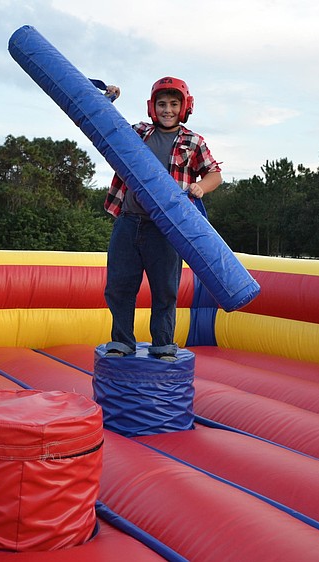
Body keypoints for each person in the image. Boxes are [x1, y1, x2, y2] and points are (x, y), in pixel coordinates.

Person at [103, 76, 222, 361]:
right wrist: (108, 99)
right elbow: (107, 129)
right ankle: (122, 341)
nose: (167, 109)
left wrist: (200, 187)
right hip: (130, 220)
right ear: (152, 107)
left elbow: (214, 173)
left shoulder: (192, 141)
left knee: (165, 288)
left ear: (184, 107)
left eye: (173, 104)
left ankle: (163, 344)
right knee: (119, 285)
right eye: (161, 104)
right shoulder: (138, 132)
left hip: (167, 228)